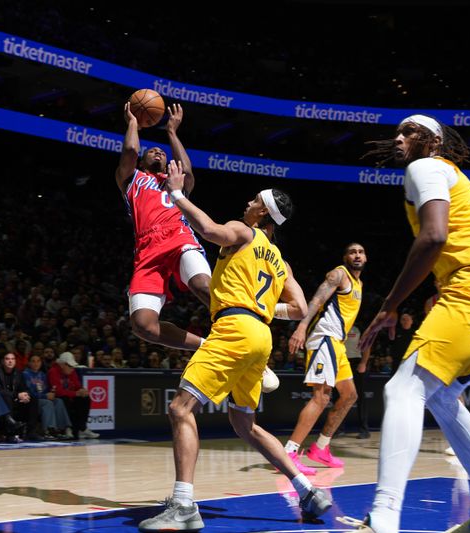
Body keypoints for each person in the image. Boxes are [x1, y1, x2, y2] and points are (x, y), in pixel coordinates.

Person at [346, 114, 470, 533]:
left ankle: (383, 517)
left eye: (408, 132)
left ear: (432, 140)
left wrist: (390, 305)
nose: (398, 139)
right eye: (398, 132)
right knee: (443, 397)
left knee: (403, 388)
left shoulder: (424, 167)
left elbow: (433, 236)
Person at [138, 160, 329, 532]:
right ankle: (307, 491)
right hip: (261, 336)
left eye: (255, 200)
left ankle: (183, 506)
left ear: (263, 213)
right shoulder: (281, 262)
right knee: (244, 423)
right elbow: (301, 308)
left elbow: (208, 229)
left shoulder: (244, 230)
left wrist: (176, 193)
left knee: (180, 409)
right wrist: (259, 306)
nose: (248, 202)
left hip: (235, 327)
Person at [117, 103, 212, 351]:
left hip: (177, 236)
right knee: (143, 325)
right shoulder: (132, 180)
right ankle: (209, 347)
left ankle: (245, 334)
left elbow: (187, 170)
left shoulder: (174, 182)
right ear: (142, 161)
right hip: (147, 249)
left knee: (202, 286)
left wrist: (172, 132)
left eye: (162, 152)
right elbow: (129, 150)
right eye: (153, 152)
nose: (158, 153)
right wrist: (134, 123)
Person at [283, 243, 367, 473]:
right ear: (345, 257)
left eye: (360, 252)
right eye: (352, 252)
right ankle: (290, 453)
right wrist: (301, 327)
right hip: (323, 337)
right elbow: (317, 300)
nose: (357, 255)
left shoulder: (359, 284)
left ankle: (321, 448)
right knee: (321, 397)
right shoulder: (339, 274)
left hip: (337, 343)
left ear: (366, 258)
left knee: (350, 395)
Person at [48, 352, 99, 439]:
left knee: (84, 398)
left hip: (70, 395)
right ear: (63, 365)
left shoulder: (71, 371)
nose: (72, 368)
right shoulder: (53, 372)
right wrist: (75, 393)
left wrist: (82, 390)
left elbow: (77, 385)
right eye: (70, 366)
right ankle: (67, 428)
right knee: (64, 399)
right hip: (57, 397)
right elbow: (58, 392)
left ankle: (82, 429)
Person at [24, 354, 73, 439]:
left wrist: (51, 393)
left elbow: (46, 390)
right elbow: (29, 393)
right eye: (33, 361)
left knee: (58, 401)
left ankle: (62, 429)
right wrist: (45, 396)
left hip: (43, 398)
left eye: (38, 361)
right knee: (47, 403)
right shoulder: (25, 374)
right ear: (29, 363)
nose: (36, 363)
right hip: (33, 401)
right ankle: (48, 430)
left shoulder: (42, 375)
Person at [0, 352, 37, 441]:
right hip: (2, 403)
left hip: (16, 400)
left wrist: (25, 395)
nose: (10, 361)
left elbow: (25, 388)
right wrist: (17, 395)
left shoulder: (18, 373)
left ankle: (31, 432)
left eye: (12, 359)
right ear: (3, 361)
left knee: (33, 399)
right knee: (7, 398)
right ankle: (10, 433)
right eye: (7, 359)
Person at [344, 325, 371, 439]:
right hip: (342, 362)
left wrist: (363, 362)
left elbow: (367, 345)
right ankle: (338, 429)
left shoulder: (359, 327)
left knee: (360, 397)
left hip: (356, 362)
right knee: (339, 397)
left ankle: (364, 429)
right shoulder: (340, 326)